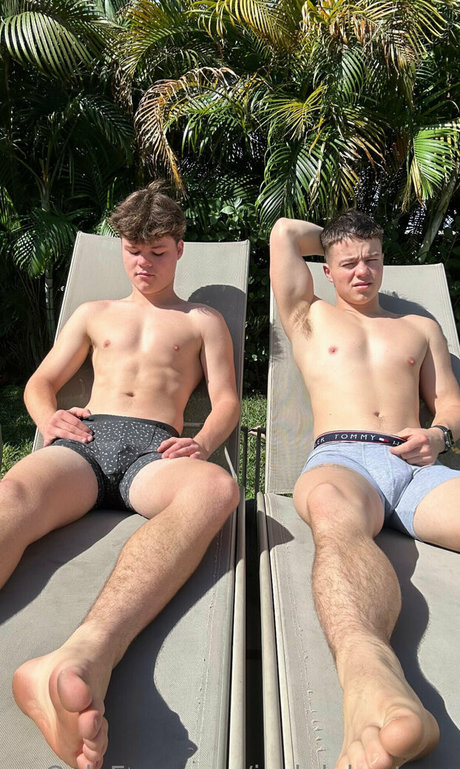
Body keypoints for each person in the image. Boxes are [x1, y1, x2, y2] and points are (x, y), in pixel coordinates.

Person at [1, 181, 240, 769]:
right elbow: (40, 383)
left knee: (217, 488)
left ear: (180, 249)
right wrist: (48, 418)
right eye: (133, 251)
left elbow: (228, 401)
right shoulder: (94, 314)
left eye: (157, 252)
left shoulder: (202, 321)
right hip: (87, 440)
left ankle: (80, 658)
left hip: (155, 450)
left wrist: (203, 443)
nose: (144, 263)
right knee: (11, 492)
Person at [270, 210, 460, 769]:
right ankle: (372, 685)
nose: (362, 271)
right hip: (342, 459)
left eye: (373, 258)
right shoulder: (308, 316)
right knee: (334, 519)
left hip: (419, 467)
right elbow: (284, 233)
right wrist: (337, 238)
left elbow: (450, 403)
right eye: (348, 263)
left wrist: (439, 434)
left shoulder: (420, 328)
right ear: (325, 270)